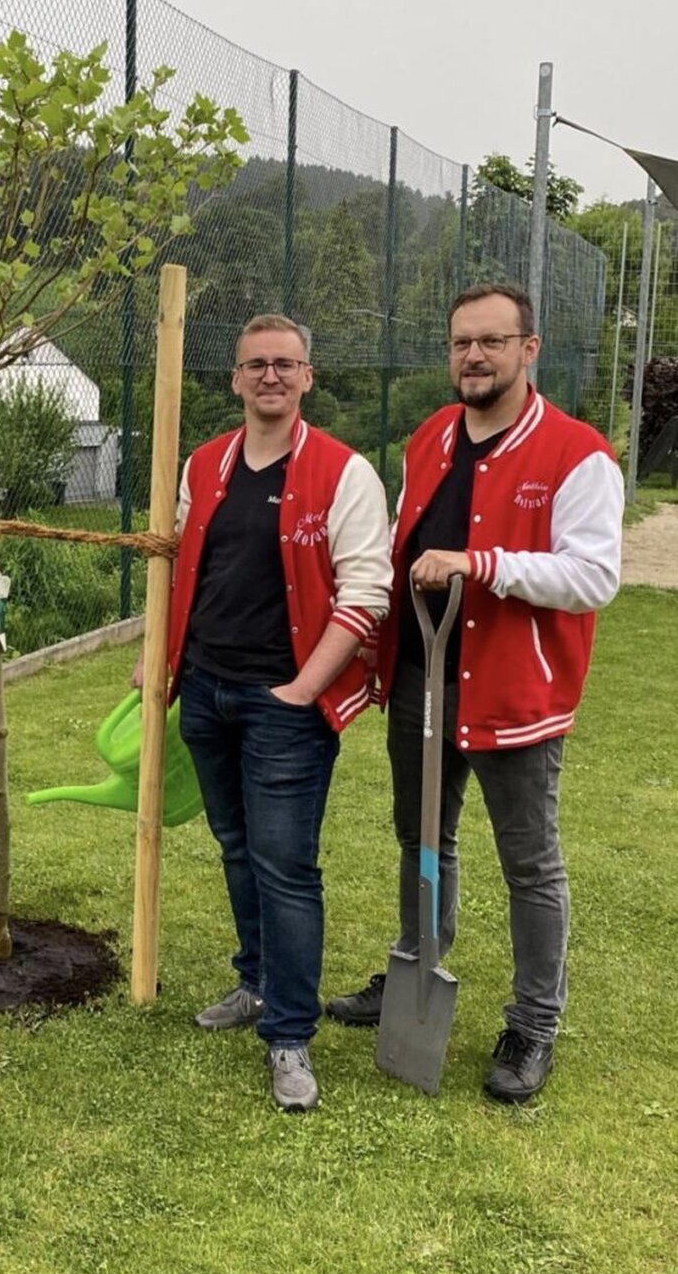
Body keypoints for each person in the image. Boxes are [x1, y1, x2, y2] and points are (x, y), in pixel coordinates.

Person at [327, 282, 623, 1102]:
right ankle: (415, 963)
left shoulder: (575, 453)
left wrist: (481, 565)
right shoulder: (430, 438)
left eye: (492, 342)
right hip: (424, 673)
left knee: (530, 862)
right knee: (424, 838)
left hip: (514, 690)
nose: (474, 357)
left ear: (530, 349)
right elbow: (401, 539)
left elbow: (594, 574)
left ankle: (534, 1022)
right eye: (462, 342)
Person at [141, 313, 391, 1111]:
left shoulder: (345, 475)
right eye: (257, 365)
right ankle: (254, 980)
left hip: (285, 702)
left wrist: (302, 689)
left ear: (308, 377)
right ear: (237, 378)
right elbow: (182, 568)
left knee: (287, 866)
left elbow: (365, 596)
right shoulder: (205, 465)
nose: (271, 376)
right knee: (236, 845)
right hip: (208, 690)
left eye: (286, 364)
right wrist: (167, 664)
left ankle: (290, 1034)